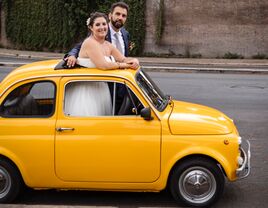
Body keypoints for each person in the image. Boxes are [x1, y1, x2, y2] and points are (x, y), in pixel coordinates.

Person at [64, 12, 139, 117]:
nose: (102, 27)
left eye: (104, 24)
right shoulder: (90, 43)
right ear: (91, 27)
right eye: (97, 25)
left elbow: (123, 58)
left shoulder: (108, 45)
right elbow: (104, 65)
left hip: (102, 90)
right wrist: (127, 66)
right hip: (87, 92)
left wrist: (134, 60)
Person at [65, 1, 132, 68]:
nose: (120, 18)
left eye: (124, 16)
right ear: (110, 16)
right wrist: (72, 55)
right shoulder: (96, 36)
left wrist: (133, 61)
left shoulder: (125, 34)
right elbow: (79, 47)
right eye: (117, 14)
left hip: (118, 75)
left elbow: (124, 58)